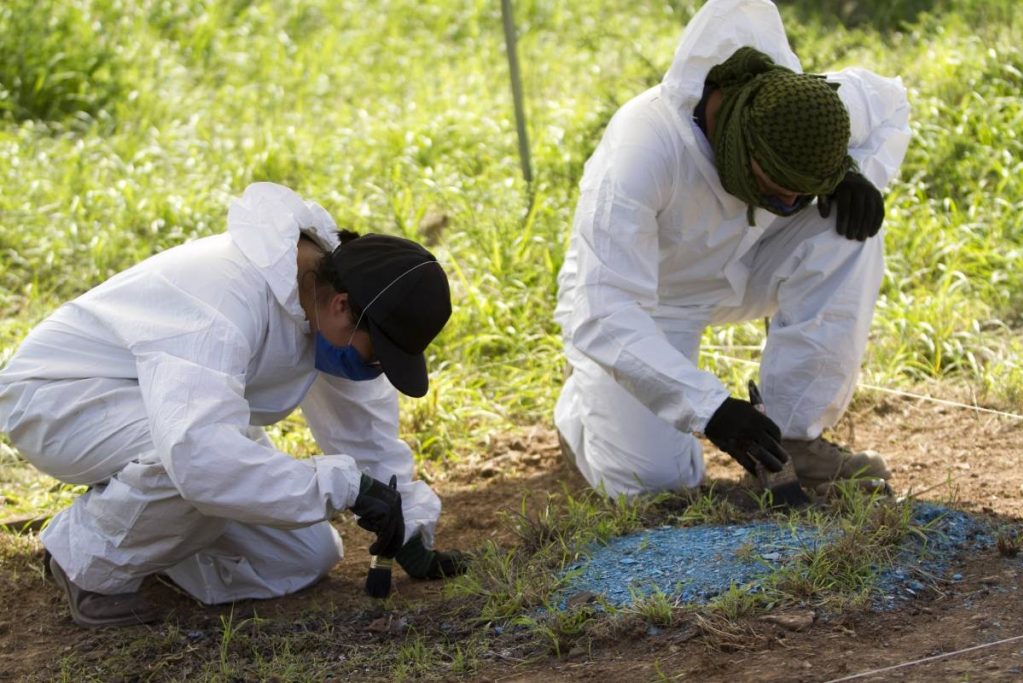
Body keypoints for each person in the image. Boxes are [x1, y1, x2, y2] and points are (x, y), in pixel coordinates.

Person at [0, 182, 466, 628]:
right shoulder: (226, 297)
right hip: (61, 397)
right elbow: (200, 457)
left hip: (168, 399)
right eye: (378, 351)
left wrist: (409, 524)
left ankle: (144, 537)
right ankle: (85, 560)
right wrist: (342, 485)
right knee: (192, 468)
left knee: (305, 555)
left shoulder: (323, 297)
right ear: (342, 306)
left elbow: (366, 437)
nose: (377, 367)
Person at [554, 0, 912, 498]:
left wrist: (855, 174)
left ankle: (793, 437)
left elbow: (893, 103)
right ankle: (582, 408)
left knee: (848, 232)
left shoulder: (810, 106)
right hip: (648, 298)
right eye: (778, 187)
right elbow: (605, 310)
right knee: (656, 487)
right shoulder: (643, 148)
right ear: (738, 142)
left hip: (745, 264)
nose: (791, 204)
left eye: (800, 194)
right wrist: (712, 410)